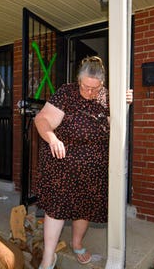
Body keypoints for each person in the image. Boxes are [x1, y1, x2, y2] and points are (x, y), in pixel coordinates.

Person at [34, 56, 133, 269]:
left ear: (102, 84)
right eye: (85, 86)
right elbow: (42, 119)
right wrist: (52, 138)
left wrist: (123, 105)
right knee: (56, 209)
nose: (89, 92)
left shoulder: (107, 97)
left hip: (92, 167)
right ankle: (48, 256)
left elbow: (116, 128)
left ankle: (77, 244)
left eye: (94, 89)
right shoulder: (66, 93)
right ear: (78, 80)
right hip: (62, 165)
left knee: (84, 207)